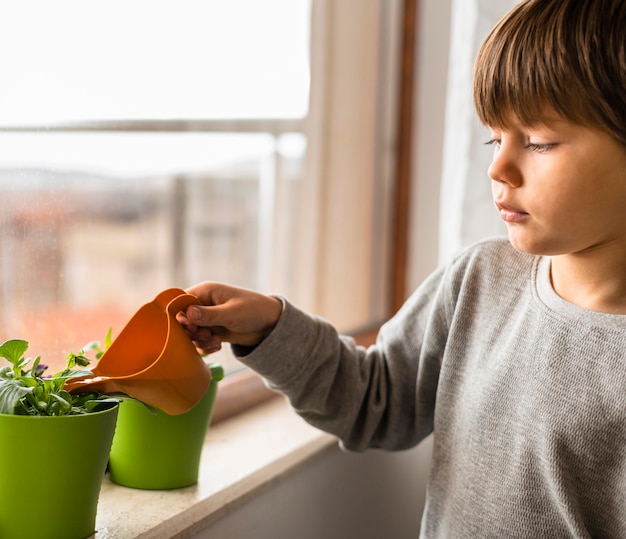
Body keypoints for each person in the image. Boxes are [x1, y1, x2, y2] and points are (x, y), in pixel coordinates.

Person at [177, 0, 626, 536]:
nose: (498, 167)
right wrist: (271, 328)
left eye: (538, 141)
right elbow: (374, 401)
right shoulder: (476, 282)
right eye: (494, 137)